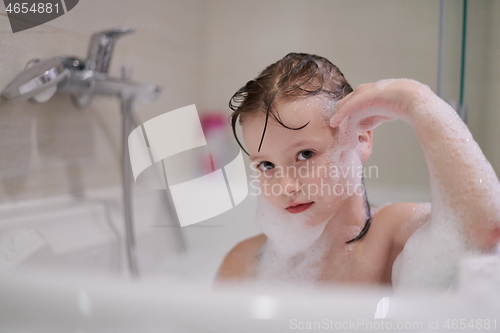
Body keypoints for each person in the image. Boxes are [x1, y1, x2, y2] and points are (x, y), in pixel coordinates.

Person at [215, 53, 500, 287]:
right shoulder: (243, 263)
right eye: (266, 164)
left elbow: (482, 230)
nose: (286, 185)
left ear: (360, 140)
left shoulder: (390, 236)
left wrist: (416, 100)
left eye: (305, 154)